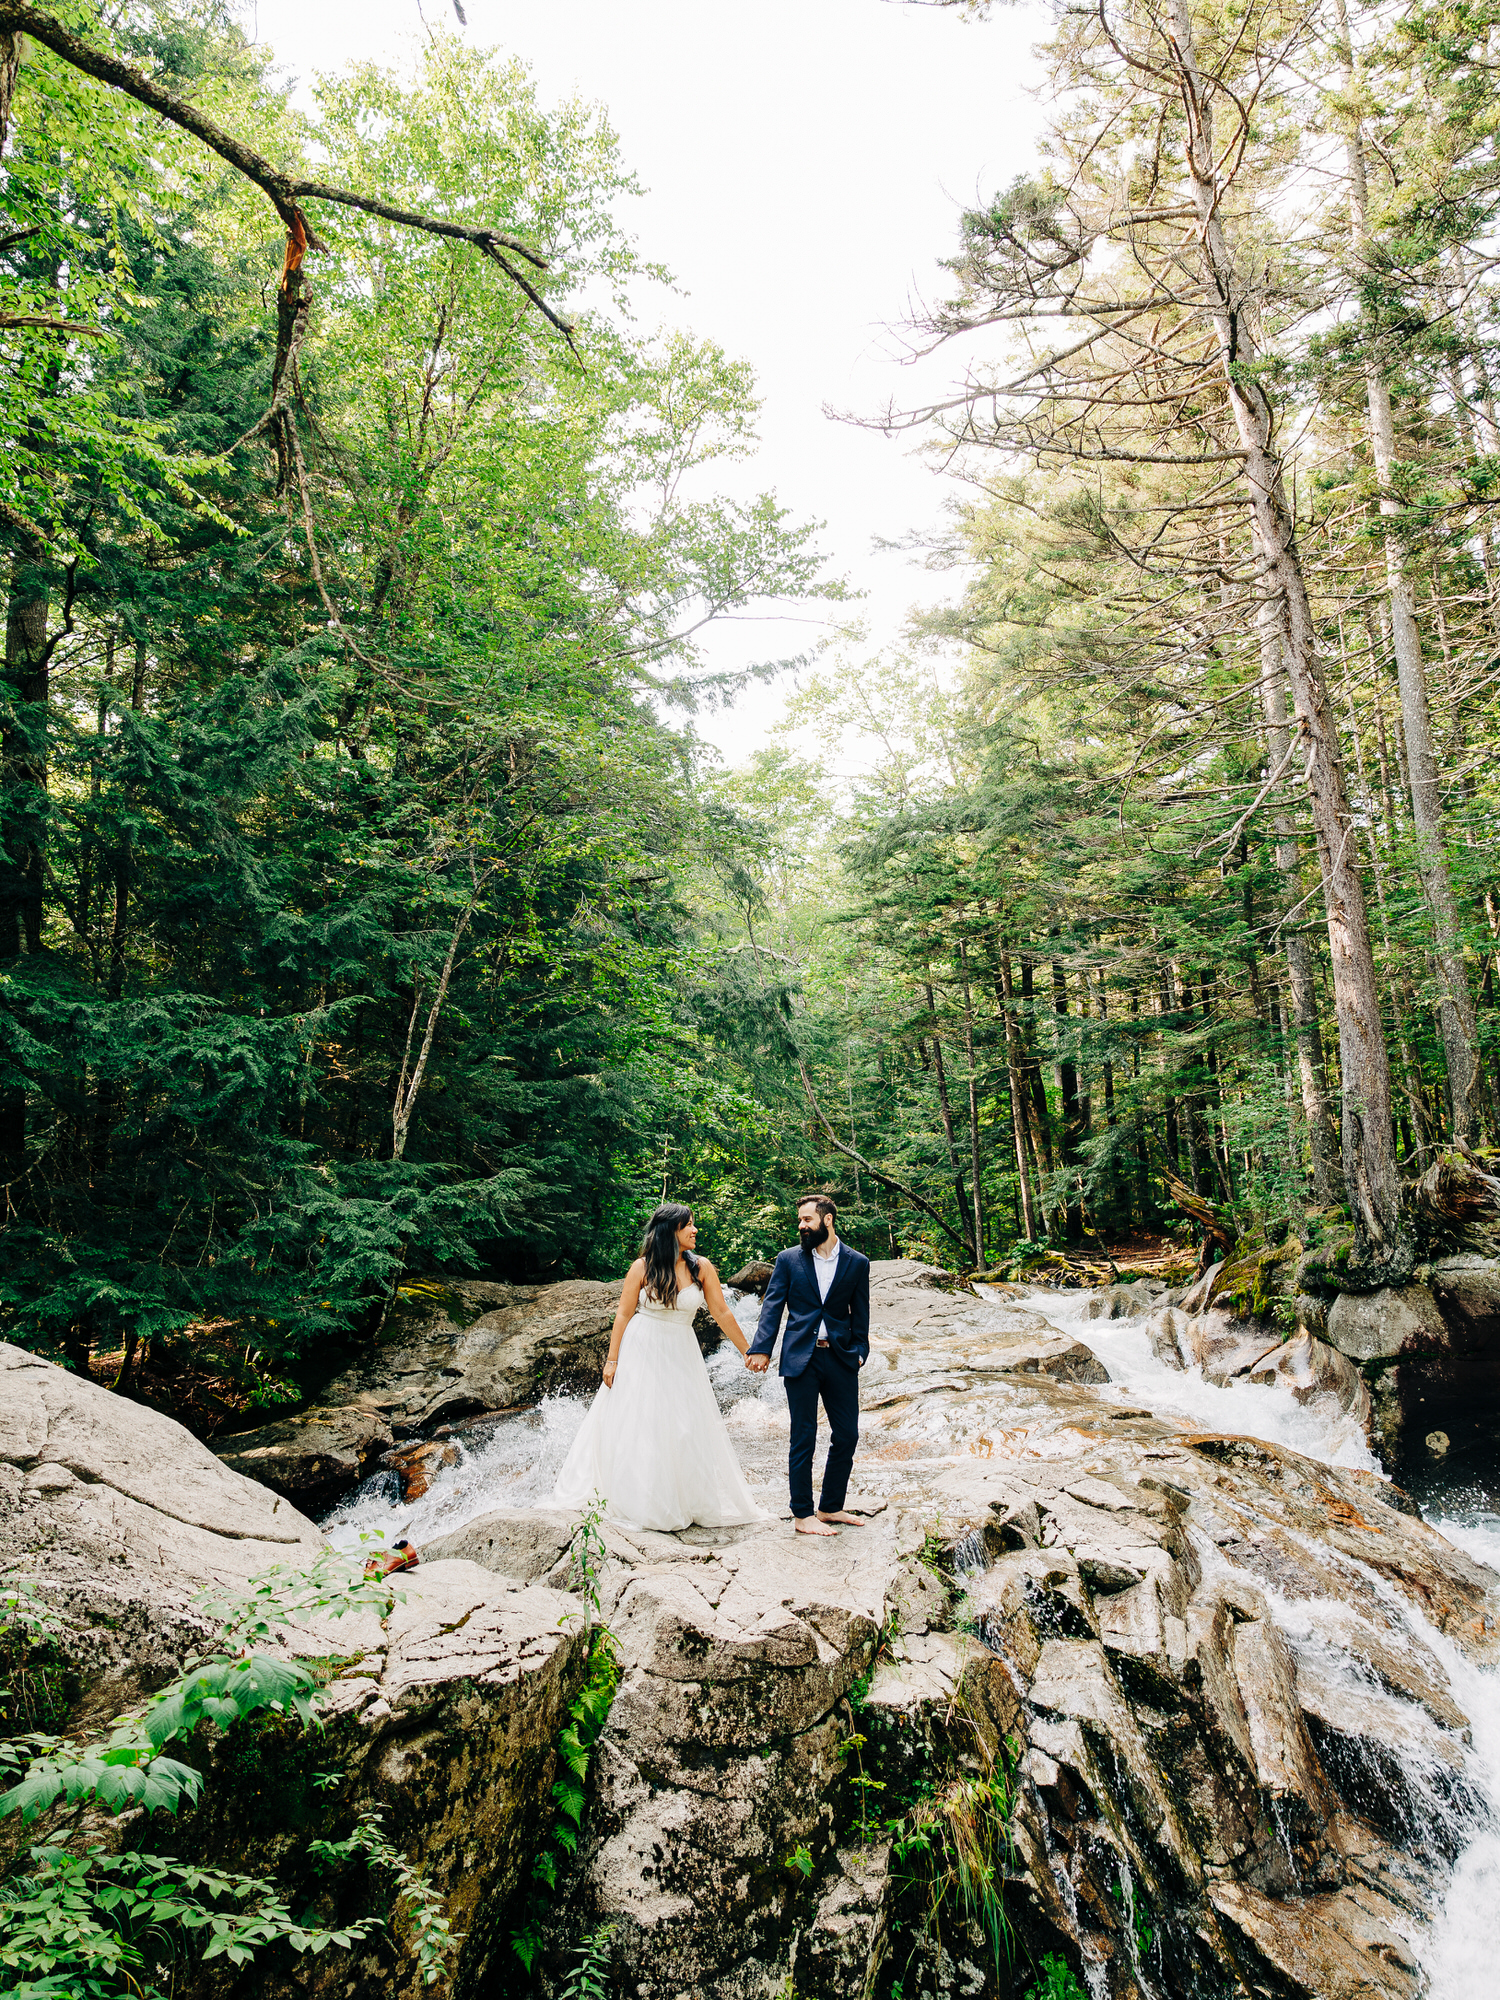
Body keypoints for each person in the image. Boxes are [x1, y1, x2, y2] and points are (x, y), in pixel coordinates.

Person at [552, 1202, 764, 1532]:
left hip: (681, 1350)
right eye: (688, 1225)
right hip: (642, 1347)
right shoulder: (642, 1268)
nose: (695, 1230)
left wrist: (748, 1351)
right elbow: (623, 1314)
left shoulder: (702, 1267)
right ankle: (644, 1502)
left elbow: (722, 1312)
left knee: (683, 1425)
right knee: (641, 1423)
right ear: (670, 1231)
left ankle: (686, 1501)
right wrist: (612, 1360)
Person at [746, 1194, 869, 1536]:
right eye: (799, 1220)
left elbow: (861, 1312)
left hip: (842, 1357)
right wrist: (762, 1348)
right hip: (801, 1356)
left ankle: (830, 1507)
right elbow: (773, 1306)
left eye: (806, 1220)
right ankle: (802, 1514)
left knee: (847, 1435)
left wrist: (860, 1350)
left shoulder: (857, 1262)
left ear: (827, 1220)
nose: (801, 1226)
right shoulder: (788, 1260)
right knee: (804, 1435)